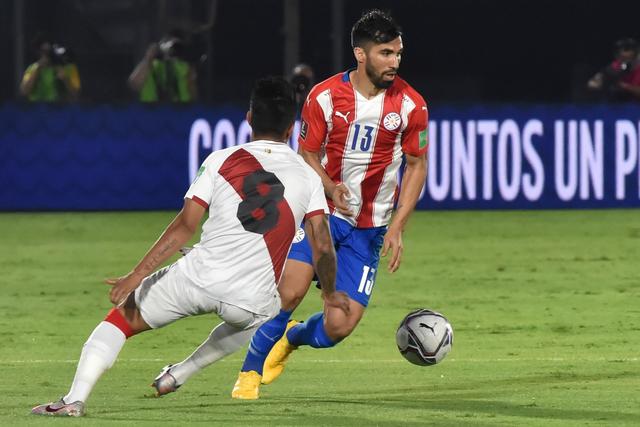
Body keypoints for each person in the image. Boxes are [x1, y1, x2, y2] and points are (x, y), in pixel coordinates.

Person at [152, 9, 429, 400]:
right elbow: (307, 153)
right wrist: (330, 187)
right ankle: (249, 374)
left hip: (369, 229)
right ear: (361, 54)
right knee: (288, 293)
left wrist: (398, 226)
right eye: (386, 53)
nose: (395, 62)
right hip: (323, 215)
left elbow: (416, 165)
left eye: (398, 53)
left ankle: (293, 337)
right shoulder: (326, 97)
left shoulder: (411, 105)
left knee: (339, 325)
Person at [31, 76, 349, 417]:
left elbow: (185, 226)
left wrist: (136, 275)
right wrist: (329, 293)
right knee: (267, 312)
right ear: (290, 129)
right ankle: (183, 371)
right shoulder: (308, 176)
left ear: (249, 119)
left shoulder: (220, 160)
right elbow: (322, 245)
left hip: (198, 278)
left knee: (118, 323)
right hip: (250, 300)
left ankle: (73, 400)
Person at [128, 29, 198, 102]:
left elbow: (194, 96)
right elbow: (134, 84)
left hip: (180, 110)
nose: (173, 50)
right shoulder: (150, 66)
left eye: (176, 47)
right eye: (171, 46)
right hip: (152, 111)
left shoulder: (186, 67)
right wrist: (149, 57)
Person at [20, 34, 81, 102]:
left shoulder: (69, 68)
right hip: (37, 109)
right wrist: (37, 71)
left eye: (50, 52)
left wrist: (65, 79)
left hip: (61, 109)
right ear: (39, 53)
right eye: (45, 52)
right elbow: (24, 92)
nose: (48, 56)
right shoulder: (33, 68)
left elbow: (76, 94)